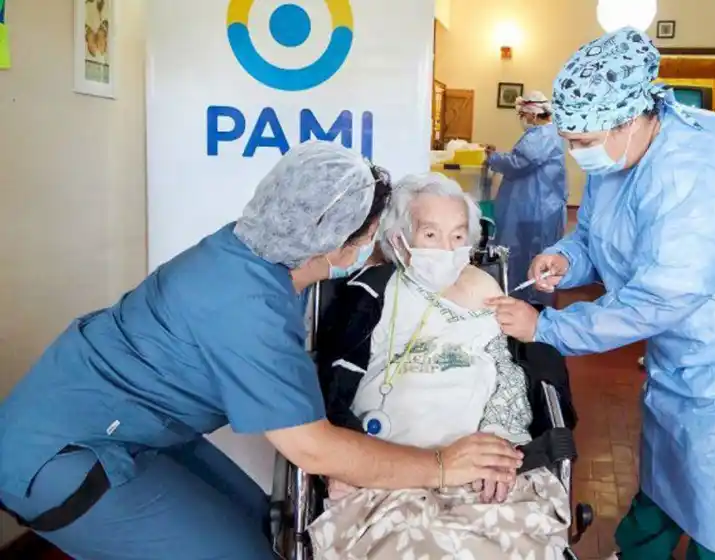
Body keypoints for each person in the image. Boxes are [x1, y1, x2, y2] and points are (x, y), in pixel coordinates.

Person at [0, 142, 522, 560]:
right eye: (371, 238)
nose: (376, 248)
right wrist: (439, 465)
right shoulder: (248, 307)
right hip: (65, 455)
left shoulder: (250, 246)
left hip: (133, 421)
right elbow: (312, 449)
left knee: (265, 523)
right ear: (336, 244)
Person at [487, 27, 715, 560]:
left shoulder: (698, 172)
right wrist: (567, 258)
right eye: (569, 139)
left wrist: (548, 327)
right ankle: (642, 547)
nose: (574, 152)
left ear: (632, 117)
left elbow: (662, 296)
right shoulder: (621, 154)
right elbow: (597, 232)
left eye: (582, 142)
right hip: (695, 318)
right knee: (673, 443)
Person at [307, 172, 571, 558]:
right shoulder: (371, 292)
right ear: (400, 238)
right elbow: (331, 384)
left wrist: (501, 441)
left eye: (459, 236)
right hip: (388, 469)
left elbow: (507, 374)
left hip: (478, 467)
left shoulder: (483, 287)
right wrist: (346, 460)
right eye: (430, 235)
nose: (448, 249)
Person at [486, 91, 567, 307]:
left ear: (532, 114)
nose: (522, 119)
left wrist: (492, 158)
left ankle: (530, 301)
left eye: (523, 114)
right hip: (542, 204)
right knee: (535, 251)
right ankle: (531, 297)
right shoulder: (549, 132)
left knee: (527, 253)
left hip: (534, 207)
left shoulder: (541, 135)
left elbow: (518, 163)